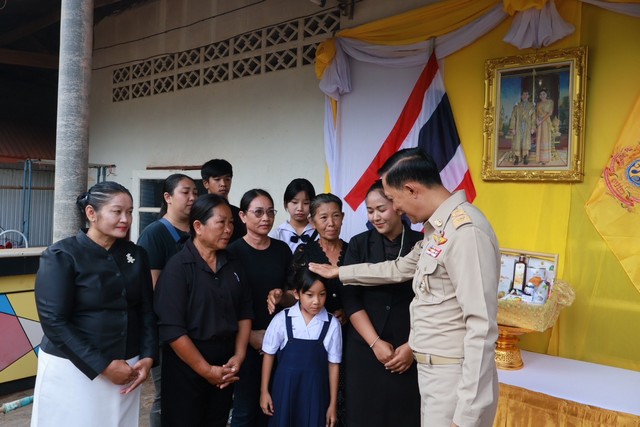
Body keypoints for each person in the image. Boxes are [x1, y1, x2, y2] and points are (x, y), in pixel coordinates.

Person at [309, 148, 500, 427]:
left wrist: (468, 413)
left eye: (394, 200)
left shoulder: (466, 231)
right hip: (434, 373)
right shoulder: (439, 230)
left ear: (411, 189)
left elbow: (481, 327)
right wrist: (342, 271)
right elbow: (399, 268)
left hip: (454, 377)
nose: (397, 209)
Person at [32, 181, 157, 427]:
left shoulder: (136, 255)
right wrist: (103, 366)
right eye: (117, 211)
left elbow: (146, 310)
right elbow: (54, 322)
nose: (126, 219)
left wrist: (148, 356)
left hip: (127, 366)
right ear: (92, 213)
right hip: (73, 368)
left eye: (130, 212)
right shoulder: (62, 256)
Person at [154, 194, 253, 427]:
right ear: (198, 226)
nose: (229, 229)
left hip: (226, 365)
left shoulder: (233, 264)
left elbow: (244, 312)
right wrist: (206, 370)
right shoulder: (178, 268)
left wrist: (238, 356)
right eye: (221, 222)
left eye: (231, 223)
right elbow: (172, 329)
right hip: (186, 365)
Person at [341, 180, 422, 427]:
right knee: (363, 415)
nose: (375, 216)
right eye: (370, 210)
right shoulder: (358, 243)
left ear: (398, 207)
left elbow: (431, 299)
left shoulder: (421, 242)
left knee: (405, 415)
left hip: (408, 348)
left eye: (381, 209)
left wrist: (412, 346)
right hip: (365, 348)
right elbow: (350, 298)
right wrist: (375, 343)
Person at [227, 189, 292, 427]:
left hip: (280, 341)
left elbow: (293, 297)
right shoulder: (231, 253)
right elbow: (225, 303)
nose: (266, 218)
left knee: (274, 408)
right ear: (243, 216)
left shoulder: (282, 250)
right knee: (244, 411)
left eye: (270, 212)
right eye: (258, 212)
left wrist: (281, 295)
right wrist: (249, 337)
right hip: (245, 341)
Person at [137, 173, 197, 426]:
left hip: (196, 327)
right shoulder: (155, 234)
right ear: (167, 197)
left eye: (196, 192)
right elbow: (151, 290)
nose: (193, 197)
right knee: (166, 397)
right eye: (186, 192)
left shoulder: (197, 230)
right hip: (168, 331)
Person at [260, 268, 342, 427]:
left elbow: (334, 365)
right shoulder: (282, 319)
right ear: (297, 294)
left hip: (316, 393)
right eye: (309, 295)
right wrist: (264, 392)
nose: (316, 301)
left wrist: (332, 405)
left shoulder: (331, 324)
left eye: (322, 294)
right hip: (284, 391)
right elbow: (268, 355)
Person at [202, 158, 246, 242]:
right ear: (206, 183)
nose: (223, 184)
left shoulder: (239, 214)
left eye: (227, 179)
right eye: (217, 179)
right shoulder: (198, 212)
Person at [269, 178, 317, 253]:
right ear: (286, 204)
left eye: (306, 203)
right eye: (294, 202)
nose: (300, 208)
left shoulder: (319, 232)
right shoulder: (277, 234)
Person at [508, 90, 535, 166]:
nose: (525, 96)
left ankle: (525, 157)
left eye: (526, 94)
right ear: (521, 96)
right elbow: (513, 117)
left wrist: (533, 127)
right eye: (523, 94)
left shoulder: (531, 106)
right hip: (518, 126)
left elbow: (533, 117)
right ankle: (517, 157)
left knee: (526, 141)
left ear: (528, 96)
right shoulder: (517, 106)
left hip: (527, 126)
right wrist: (512, 128)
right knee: (517, 141)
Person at [535, 88, 554, 165]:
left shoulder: (550, 102)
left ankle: (545, 160)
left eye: (543, 94)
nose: (542, 95)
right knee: (540, 139)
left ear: (546, 95)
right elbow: (536, 113)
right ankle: (540, 159)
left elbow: (549, 113)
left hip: (545, 122)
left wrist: (540, 121)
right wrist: (537, 120)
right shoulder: (539, 104)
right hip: (539, 123)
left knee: (545, 139)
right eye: (540, 94)